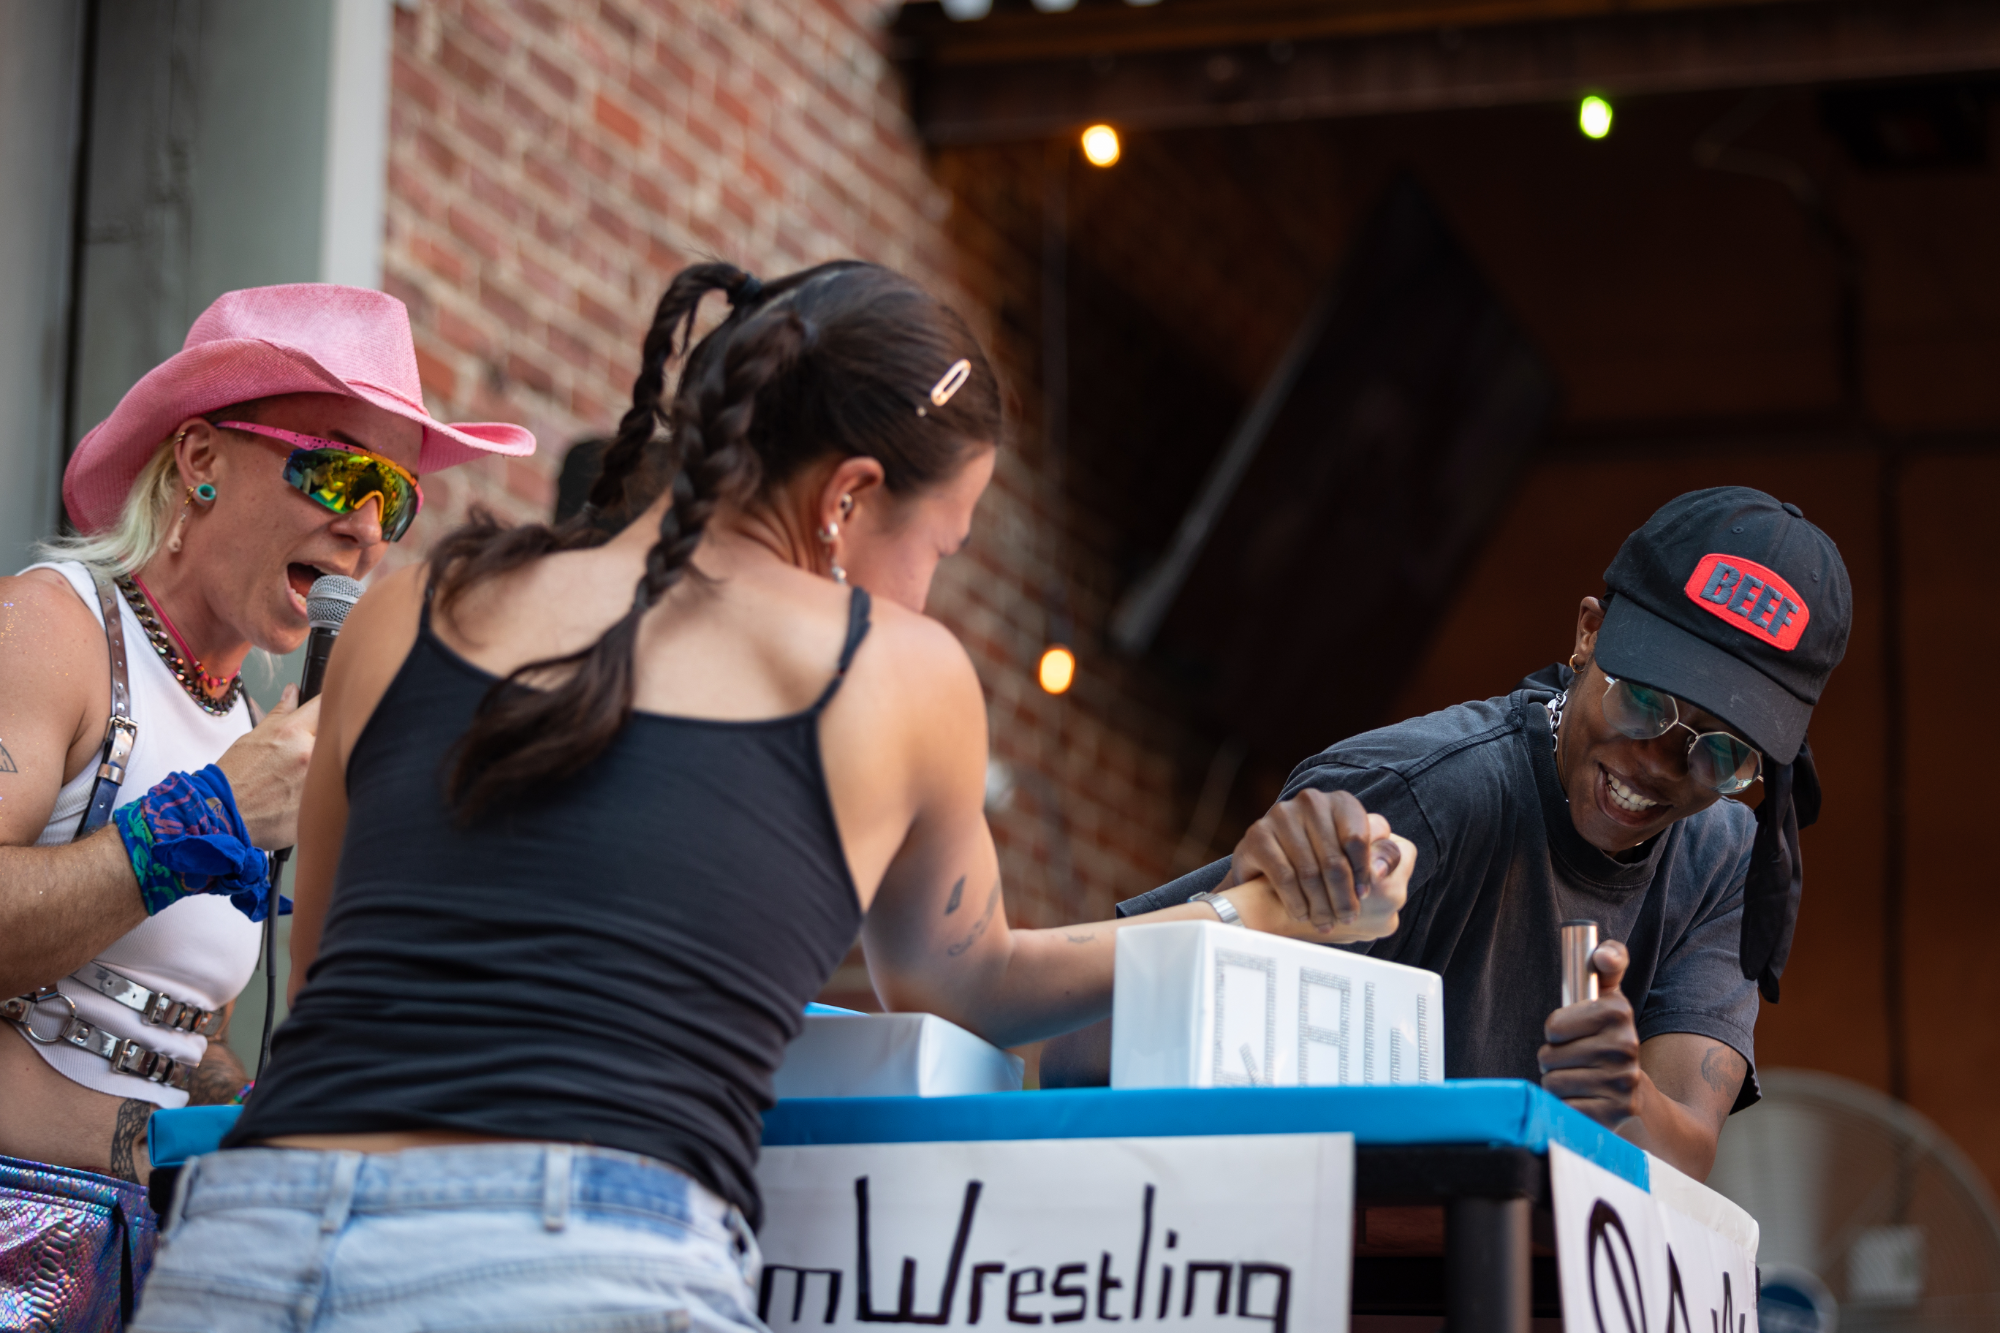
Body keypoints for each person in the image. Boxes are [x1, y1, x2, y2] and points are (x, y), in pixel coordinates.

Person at [131, 260, 1418, 1332]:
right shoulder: (892, 669)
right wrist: (1256, 913)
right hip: (570, 1263)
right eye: (943, 544)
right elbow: (975, 982)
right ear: (851, 497)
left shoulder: (420, 601)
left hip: (247, 1242)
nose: (928, 589)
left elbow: (325, 968)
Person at [1049, 488, 1851, 1183]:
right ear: (1587, 635)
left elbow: (1684, 1151)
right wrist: (1236, 917)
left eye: (1720, 751)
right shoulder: (1423, 796)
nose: (1660, 764)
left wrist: (1624, 1096)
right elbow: (1085, 1051)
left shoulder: (1723, 857)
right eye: (1644, 702)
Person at [0, 283, 533, 1330]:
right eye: (339, 471)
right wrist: (209, 819)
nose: (368, 528)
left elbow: (141, 1016)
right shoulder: (53, 629)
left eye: (397, 496)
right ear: (200, 459)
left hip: (160, 1254)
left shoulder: (248, 722)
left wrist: (245, 1091)